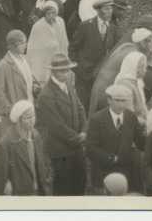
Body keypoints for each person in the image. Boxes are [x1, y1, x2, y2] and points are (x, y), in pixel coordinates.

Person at [36, 53, 88, 196]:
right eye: (62, 71)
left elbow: (80, 108)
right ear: (53, 71)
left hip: (76, 147)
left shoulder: (68, 85)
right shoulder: (46, 95)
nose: (66, 74)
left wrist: (84, 130)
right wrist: (78, 139)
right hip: (61, 151)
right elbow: (56, 126)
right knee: (63, 188)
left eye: (68, 70)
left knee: (80, 183)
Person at [85, 84, 147, 195]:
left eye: (124, 101)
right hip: (104, 174)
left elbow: (140, 141)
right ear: (109, 100)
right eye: (117, 100)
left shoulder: (131, 117)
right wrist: (112, 158)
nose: (121, 104)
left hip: (127, 173)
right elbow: (90, 149)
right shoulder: (97, 119)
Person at [69, 0, 121, 109]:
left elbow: (117, 49)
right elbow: (72, 49)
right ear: (98, 10)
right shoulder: (86, 26)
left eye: (111, 8)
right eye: (106, 9)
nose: (110, 12)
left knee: (98, 105)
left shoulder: (112, 29)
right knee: (83, 106)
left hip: (101, 76)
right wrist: (77, 68)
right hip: (84, 75)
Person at [0, 100, 50, 195]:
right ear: (18, 119)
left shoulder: (35, 135)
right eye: (28, 118)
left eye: (33, 116)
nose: (32, 120)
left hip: (37, 190)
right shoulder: (6, 143)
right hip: (20, 193)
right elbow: (1, 177)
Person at [0, 30, 36, 130]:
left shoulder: (25, 60)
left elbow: (27, 83)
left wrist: (35, 87)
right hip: (14, 118)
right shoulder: (4, 65)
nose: (25, 45)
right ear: (12, 45)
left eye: (26, 42)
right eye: (21, 43)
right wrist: (12, 112)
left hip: (28, 110)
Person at [26, 0, 68, 83]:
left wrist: (65, 55)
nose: (51, 16)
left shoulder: (60, 22)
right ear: (44, 14)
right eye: (48, 13)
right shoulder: (37, 26)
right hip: (44, 58)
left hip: (57, 56)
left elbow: (64, 40)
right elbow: (32, 48)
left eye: (53, 13)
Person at [114, 51, 150, 127]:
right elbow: (128, 116)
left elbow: (143, 107)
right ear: (132, 67)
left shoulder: (137, 81)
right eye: (141, 67)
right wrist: (147, 124)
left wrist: (151, 119)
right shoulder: (124, 84)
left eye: (144, 66)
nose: (145, 70)